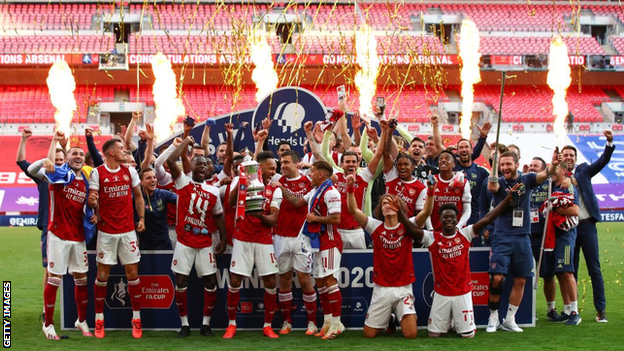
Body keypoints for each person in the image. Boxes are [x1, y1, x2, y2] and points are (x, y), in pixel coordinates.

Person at [397, 183, 519, 338]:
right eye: (445, 217)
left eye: (452, 217)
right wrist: (400, 213)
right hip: (441, 293)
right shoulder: (432, 237)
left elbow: (488, 218)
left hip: (463, 292)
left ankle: (457, 320)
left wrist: (507, 200)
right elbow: (411, 229)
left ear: (456, 219)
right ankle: (449, 320)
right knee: (434, 334)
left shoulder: (465, 234)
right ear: (440, 220)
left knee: (467, 335)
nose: (449, 219)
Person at [347, 176, 436, 339]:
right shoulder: (375, 226)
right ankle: (389, 317)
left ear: (399, 207)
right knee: (369, 334)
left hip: (403, 287)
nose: (387, 205)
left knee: (411, 335)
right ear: (380, 209)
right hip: (382, 287)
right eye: (384, 203)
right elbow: (353, 210)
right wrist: (350, 189)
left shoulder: (408, 225)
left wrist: (430, 191)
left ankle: (396, 316)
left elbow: (427, 212)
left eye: (391, 202)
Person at [486, 149, 561, 333]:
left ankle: (510, 320)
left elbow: (546, 174)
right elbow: (492, 188)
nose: (505, 168)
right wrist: (494, 163)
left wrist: (552, 164)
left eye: (508, 164)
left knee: (521, 279)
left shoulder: (526, 179)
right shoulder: (498, 181)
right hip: (502, 236)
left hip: (522, 237)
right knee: (497, 278)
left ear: (517, 164)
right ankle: (493, 317)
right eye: (502, 164)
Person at [28, 142, 97, 340]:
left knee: (82, 279)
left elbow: (86, 208)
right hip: (58, 234)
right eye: (73, 153)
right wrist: (44, 160)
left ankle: (81, 320)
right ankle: (48, 324)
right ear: (67, 158)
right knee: (55, 278)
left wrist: (93, 215)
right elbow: (32, 171)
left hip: (78, 236)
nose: (78, 156)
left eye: (80, 154)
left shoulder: (86, 180)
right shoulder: (57, 174)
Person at [166, 136, 227, 337]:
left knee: (210, 282)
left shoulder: (213, 190)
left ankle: (206, 324)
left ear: (210, 169)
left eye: (205, 164)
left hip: (205, 243)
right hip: (184, 242)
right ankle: (184, 324)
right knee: (181, 281)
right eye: (198, 163)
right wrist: (185, 143)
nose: (202, 167)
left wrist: (224, 239)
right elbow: (169, 160)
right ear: (191, 166)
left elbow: (218, 216)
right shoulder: (183, 182)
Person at [87, 138, 146, 339]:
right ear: (111, 152)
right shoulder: (97, 172)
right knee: (102, 275)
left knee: (132, 274)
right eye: (121, 148)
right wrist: (93, 203)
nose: (124, 150)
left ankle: (136, 319)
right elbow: (92, 200)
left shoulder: (129, 171)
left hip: (128, 231)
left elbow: (138, 196)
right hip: (106, 233)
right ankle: (99, 319)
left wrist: (142, 218)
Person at [224, 151, 283, 339]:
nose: (274, 171)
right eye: (271, 167)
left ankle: (267, 325)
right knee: (234, 282)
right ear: (259, 167)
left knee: (271, 283)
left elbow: (273, 219)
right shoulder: (241, 181)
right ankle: (231, 324)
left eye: (275, 168)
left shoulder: (275, 189)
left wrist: (257, 213)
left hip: (264, 240)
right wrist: (242, 183)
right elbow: (230, 203)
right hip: (242, 239)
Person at [284, 160, 342, 339]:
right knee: (320, 283)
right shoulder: (315, 191)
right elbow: (296, 202)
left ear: (321, 175)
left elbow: (336, 219)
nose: (310, 174)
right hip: (316, 243)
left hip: (330, 242)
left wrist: (315, 219)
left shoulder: (331, 192)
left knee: (330, 281)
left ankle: (337, 323)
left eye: (313, 171)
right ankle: (327, 322)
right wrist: (280, 187)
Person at [562, 130, 615, 322]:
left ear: (576, 159)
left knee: (594, 269)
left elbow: (602, 161)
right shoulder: (557, 176)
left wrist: (609, 143)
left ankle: (601, 310)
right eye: (565, 155)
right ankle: (571, 310)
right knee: (570, 269)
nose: (568, 158)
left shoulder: (584, 170)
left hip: (586, 225)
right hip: (568, 227)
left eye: (571, 156)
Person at [15, 128, 64, 322]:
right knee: (50, 270)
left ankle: (73, 311)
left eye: (61, 160)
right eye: (56, 159)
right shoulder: (43, 177)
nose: (58, 162)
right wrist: (24, 139)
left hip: (70, 228)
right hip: (49, 226)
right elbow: (21, 163)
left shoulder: (68, 177)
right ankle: (47, 310)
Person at [273, 150, 319, 335]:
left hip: (302, 237)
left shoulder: (308, 182)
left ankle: (312, 323)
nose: (282, 166)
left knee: (304, 280)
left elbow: (299, 203)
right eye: (281, 163)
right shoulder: (276, 181)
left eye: (286, 162)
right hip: (280, 236)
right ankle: (286, 322)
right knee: (284, 279)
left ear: (296, 163)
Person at [540, 162, 581, 325]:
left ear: (564, 171)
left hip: (565, 234)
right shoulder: (550, 186)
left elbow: (575, 211)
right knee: (559, 272)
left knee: (567, 271)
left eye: (555, 169)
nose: (551, 172)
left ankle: (575, 312)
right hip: (553, 235)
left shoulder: (568, 188)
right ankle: (567, 309)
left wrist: (553, 208)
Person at [426, 150, 471, 232]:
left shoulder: (463, 182)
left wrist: (458, 227)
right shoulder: (431, 180)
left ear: (454, 164)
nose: (443, 160)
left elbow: (467, 210)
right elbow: (425, 209)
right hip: (436, 231)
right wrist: (430, 230)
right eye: (440, 159)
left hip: (458, 231)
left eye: (447, 158)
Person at [138, 168, 177, 250]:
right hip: (145, 244)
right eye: (148, 178)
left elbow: (183, 200)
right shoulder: (137, 198)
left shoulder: (163, 194)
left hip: (164, 243)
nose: (153, 180)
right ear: (141, 182)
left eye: (154, 177)